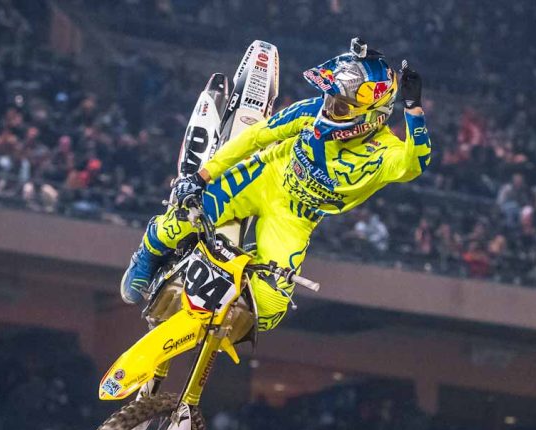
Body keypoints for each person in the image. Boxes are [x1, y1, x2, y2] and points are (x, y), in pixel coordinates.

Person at [120, 38, 430, 333]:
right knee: (185, 216)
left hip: (294, 218)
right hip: (264, 176)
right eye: (329, 98)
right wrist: (201, 177)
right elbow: (257, 136)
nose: (327, 108)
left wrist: (414, 110)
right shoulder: (311, 111)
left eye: (340, 106)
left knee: (269, 310)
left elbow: (414, 163)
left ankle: (231, 294)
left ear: (372, 116)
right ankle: (147, 254)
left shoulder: (384, 153)